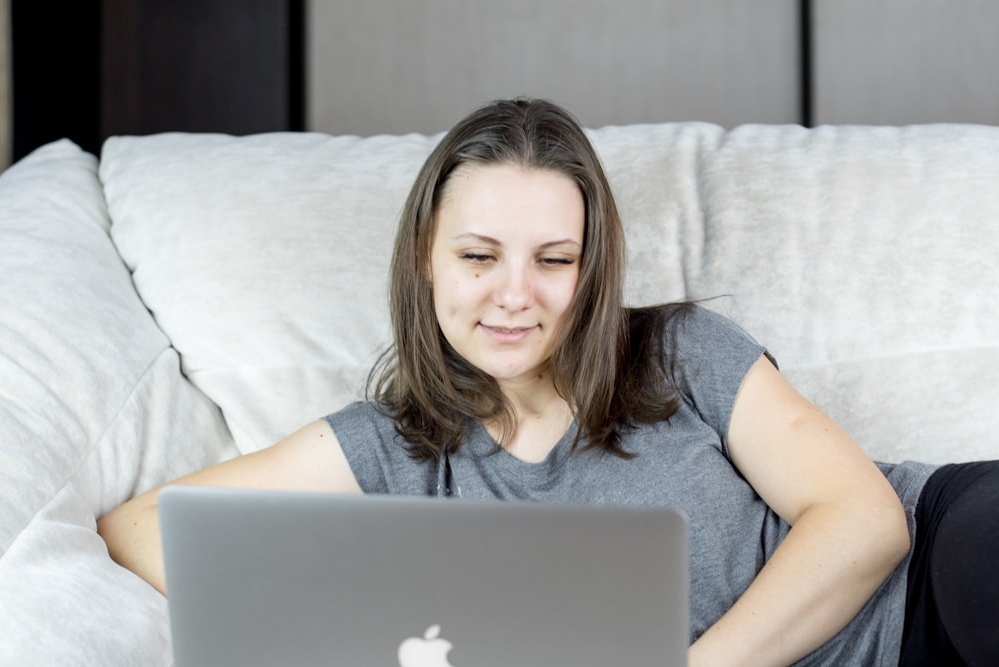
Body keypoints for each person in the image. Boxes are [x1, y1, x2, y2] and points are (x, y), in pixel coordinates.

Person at [98, 98, 998, 666]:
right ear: (425, 261)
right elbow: (142, 528)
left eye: (554, 259)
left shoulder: (679, 351)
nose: (514, 296)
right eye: (479, 256)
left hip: (931, 566)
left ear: (591, 269)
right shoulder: (395, 447)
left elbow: (866, 519)